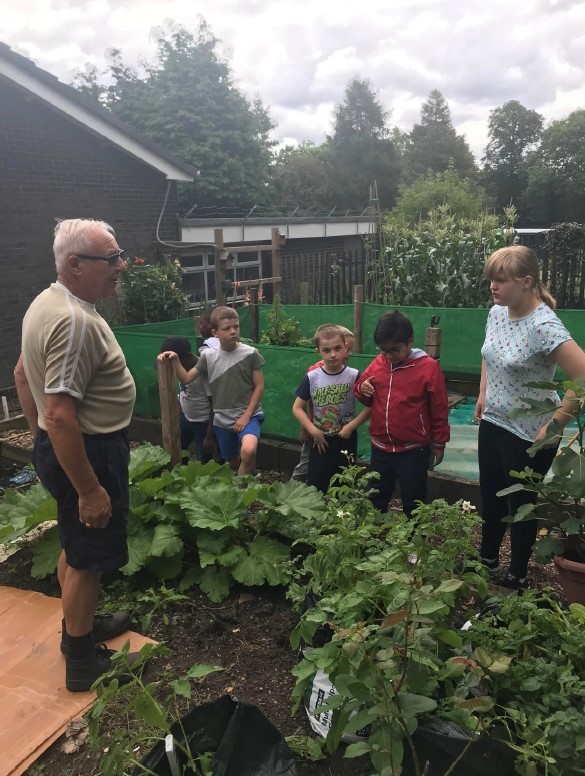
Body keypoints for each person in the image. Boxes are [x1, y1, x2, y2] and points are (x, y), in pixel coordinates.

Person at [14, 218, 139, 692]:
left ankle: (78, 627)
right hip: (89, 451)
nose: (120, 266)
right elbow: (64, 414)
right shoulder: (74, 321)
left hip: (64, 446)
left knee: (75, 543)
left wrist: (41, 437)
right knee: (87, 557)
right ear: (75, 264)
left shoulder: (46, 302)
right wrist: (89, 488)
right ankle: (82, 661)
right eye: (111, 259)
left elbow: (23, 374)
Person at [474, 245, 585, 590]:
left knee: (521, 506)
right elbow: (488, 353)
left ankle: (517, 575)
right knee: (491, 495)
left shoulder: (544, 326)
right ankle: (488, 558)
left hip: (528, 431)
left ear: (526, 281)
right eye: (491, 278)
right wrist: (482, 393)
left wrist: (554, 427)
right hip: (493, 421)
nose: (493, 286)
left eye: (501, 280)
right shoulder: (497, 311)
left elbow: (581, 376)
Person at [354, 310, 450, 517]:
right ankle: (372, 536)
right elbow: (363, 390)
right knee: (376, 495)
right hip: (380, 447)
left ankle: (415, 542)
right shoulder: (379, 363)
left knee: (413, 499)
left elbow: (439, 408)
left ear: (410, 341)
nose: (388, 356)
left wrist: (439, 443)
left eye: (394, 350)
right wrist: (362, 389)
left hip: (413, 449)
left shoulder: (427, 368)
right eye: (383, 351)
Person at [158, 306, 264, 475]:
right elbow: (186, 378)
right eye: (227, 328)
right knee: (233, 462)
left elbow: (259, 386)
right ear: (215, 332)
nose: (233, 332)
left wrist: (246, 416)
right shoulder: (209, 356)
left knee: (248, 451)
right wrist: (176, 360)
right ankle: (248, 478)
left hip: (249, 415)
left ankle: (243, 493)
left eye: (236, 327)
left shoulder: (250, 353)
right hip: (222, 420)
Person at [292, 324, 370, 493]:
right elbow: (297, 408)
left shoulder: (354, 375)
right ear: (318, 351)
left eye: (337, 348)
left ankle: (340, 518)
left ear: (346, 348)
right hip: (320, 440)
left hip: (346, 438)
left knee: (343, 485)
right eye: (326, 350)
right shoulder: (312, 377)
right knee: (316, 485)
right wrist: (314, 432)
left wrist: (351, 426)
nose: (333, 354)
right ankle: (316, 517)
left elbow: (371, 407)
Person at [158, 336, 216, 464]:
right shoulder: (179, 367)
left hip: (204, 423)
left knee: (203, 458)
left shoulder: (203, 372)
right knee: (177, 449)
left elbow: (214, 405)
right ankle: (181, 473)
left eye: (177, 363)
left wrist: (210, 436)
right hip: (186, 418)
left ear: (188, 356)